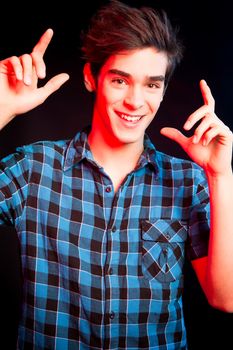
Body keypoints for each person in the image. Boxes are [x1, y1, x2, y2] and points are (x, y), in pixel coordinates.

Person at [0, 0, 232, 348]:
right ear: (92, 78)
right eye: (120, 80)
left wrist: (220, 175)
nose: (135, 101)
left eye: (152, 85)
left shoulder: (189, 181)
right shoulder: (33, 168)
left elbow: (224, 298)